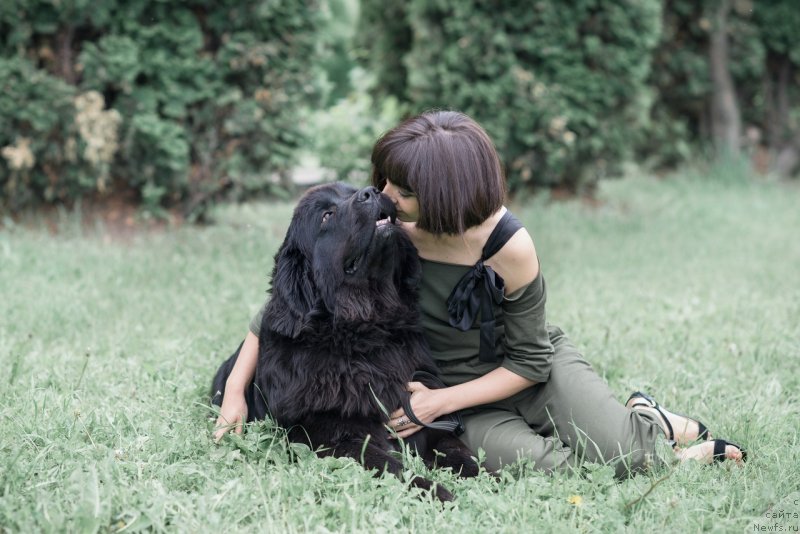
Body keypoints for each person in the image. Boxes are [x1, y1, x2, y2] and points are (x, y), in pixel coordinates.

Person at [214, 110, 745, 474]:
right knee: (540, 467)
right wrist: (237, 389)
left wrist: (436, 402)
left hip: (528, 370)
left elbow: (532, 358)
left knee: (627, 455)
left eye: (404, 190)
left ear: (448, 195)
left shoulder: (507, 244)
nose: (382, 196)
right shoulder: (386, 229)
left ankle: (648, 420)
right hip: (463, 394)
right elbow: (291, 304)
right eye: (385, 180)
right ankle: (659, 440)